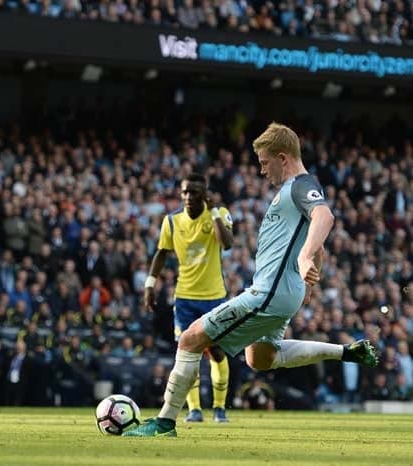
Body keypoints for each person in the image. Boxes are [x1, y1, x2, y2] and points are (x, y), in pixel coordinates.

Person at [124, 123, 379, 437]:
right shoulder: (290, 193)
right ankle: (345, 352)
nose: (261, 170)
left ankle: (164, 422)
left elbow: (325, 217)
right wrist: (310, 279)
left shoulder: (302, 184)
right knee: (260, 359)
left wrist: (304, 259)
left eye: (264, 162)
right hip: (283, 294)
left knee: (190, 339)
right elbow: (317, 241)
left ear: (283, 157)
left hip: (268, 293)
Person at [144, 173, 233, 423]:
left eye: (193, 192)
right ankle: (194, 410)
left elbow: (227, 243)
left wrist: (214, 211)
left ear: (204, 194)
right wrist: (150, 285)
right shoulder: (171, 221)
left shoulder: (219, 214)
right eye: (184, 192)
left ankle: (219, 408)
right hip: (184, 298)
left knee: (216, 352)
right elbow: (161, 253)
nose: (187, 197)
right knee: (188, 353)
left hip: (214, 297)